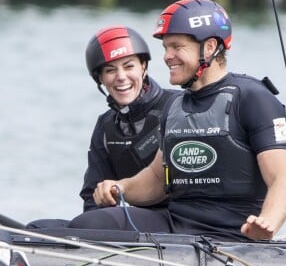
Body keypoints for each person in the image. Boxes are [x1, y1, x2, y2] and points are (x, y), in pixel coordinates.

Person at [69, 0, 286, 241]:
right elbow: (156, 180)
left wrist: (267, 224)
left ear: (209, 47)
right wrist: (120, 188)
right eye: (166, 48)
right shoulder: (175, 105)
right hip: (175, 224)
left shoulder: (253, 98)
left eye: (176, 46)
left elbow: (281, 180)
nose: (167, 57)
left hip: (230, 233)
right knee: (91, 223)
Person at [26, 25, 178, 229]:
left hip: (177, 221)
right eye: (110, 70)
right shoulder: (106, 125)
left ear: (144, 66)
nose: (121, 76)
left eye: (129, 66)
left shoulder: (177, 106)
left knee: (90, 223)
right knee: (36, 229)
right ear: (100, 79)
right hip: (131, 221)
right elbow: (92, 198)